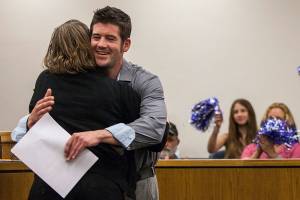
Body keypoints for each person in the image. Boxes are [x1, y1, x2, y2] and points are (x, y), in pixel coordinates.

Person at [12, 6, 167, 200]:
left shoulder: (144, 82)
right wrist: (29, 121)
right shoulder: (69, 79)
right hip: (69, 182)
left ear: (125, 44)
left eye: (110, 38)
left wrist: (99, 135)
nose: (101, 44)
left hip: (137, 180)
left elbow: (156, 129)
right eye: (96, 37)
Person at [27, 19, 141, 200]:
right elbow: (152, 134)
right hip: (101, 187)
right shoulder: (117, 90)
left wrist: (28, 122)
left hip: (48, 187)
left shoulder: (45, 81)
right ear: (88, 45)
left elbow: (34, 124)